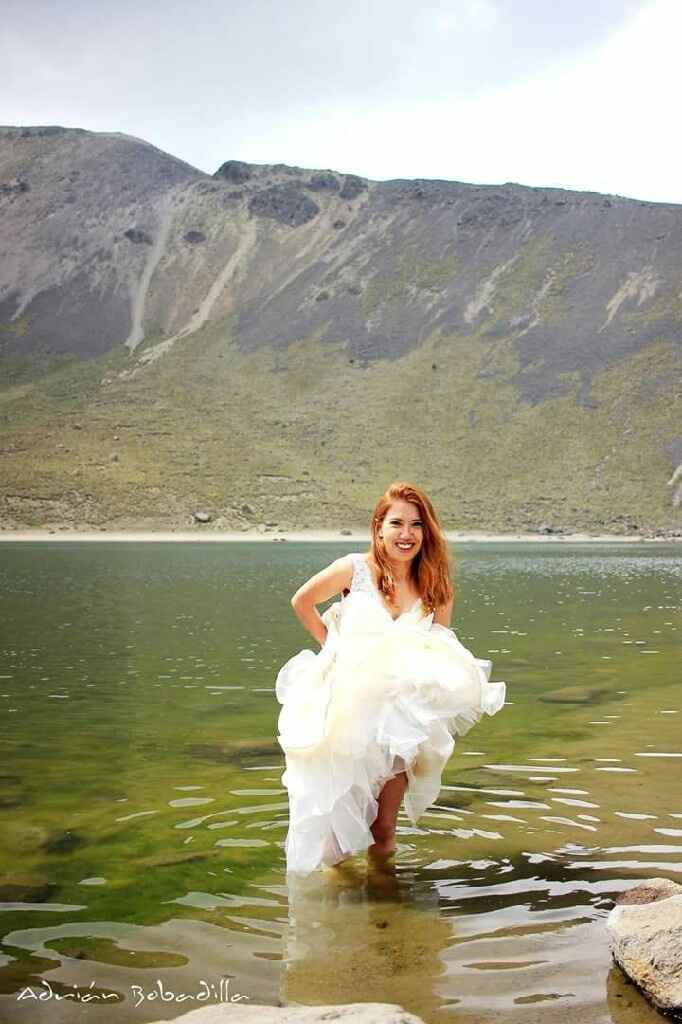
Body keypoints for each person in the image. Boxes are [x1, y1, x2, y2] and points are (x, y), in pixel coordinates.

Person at [275, 481, 506, 875]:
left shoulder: (435, 583)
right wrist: (333, 647)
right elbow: (302, 602)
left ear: (426, 531)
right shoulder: (354, 569)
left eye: (416, 525)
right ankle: (339, 911)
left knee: (383, 831)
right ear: (378, 526)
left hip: (399, 721)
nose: (406, 534)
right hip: (347, 717)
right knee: (339, 834)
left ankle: (385, 903)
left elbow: (441, 644)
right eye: (397, 523)